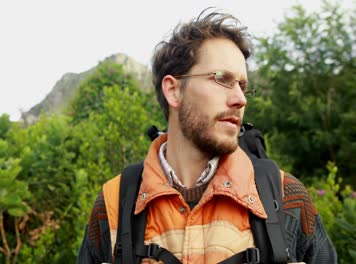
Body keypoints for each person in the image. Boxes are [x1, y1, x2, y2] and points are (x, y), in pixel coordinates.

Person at [77, 8, 337, 264]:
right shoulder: (113, 202)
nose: (240, 99)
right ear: (173, 90)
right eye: (222, 79)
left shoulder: (286, 196)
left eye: (243, 86)